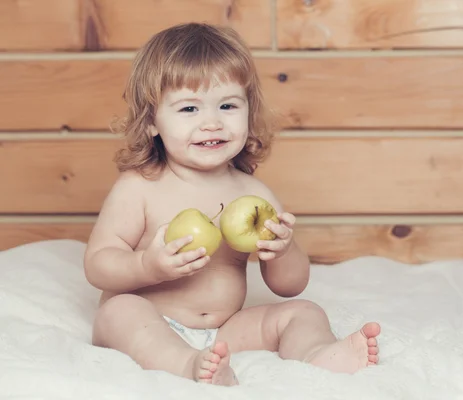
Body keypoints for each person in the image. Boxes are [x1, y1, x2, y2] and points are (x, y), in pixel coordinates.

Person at [83, 22, 381, 386]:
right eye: (189, 109)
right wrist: (149, 266)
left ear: (248, 110)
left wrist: (282, 251)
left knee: (303, 311)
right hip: (152, 319)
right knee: (118, 312)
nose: (212, 122)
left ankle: (316, 354)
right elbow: (99, 264)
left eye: (227, 105)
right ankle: (185, 365)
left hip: (224, 330)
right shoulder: (139, 187)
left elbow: (290, 285)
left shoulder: (252, 195)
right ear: (151, 122)